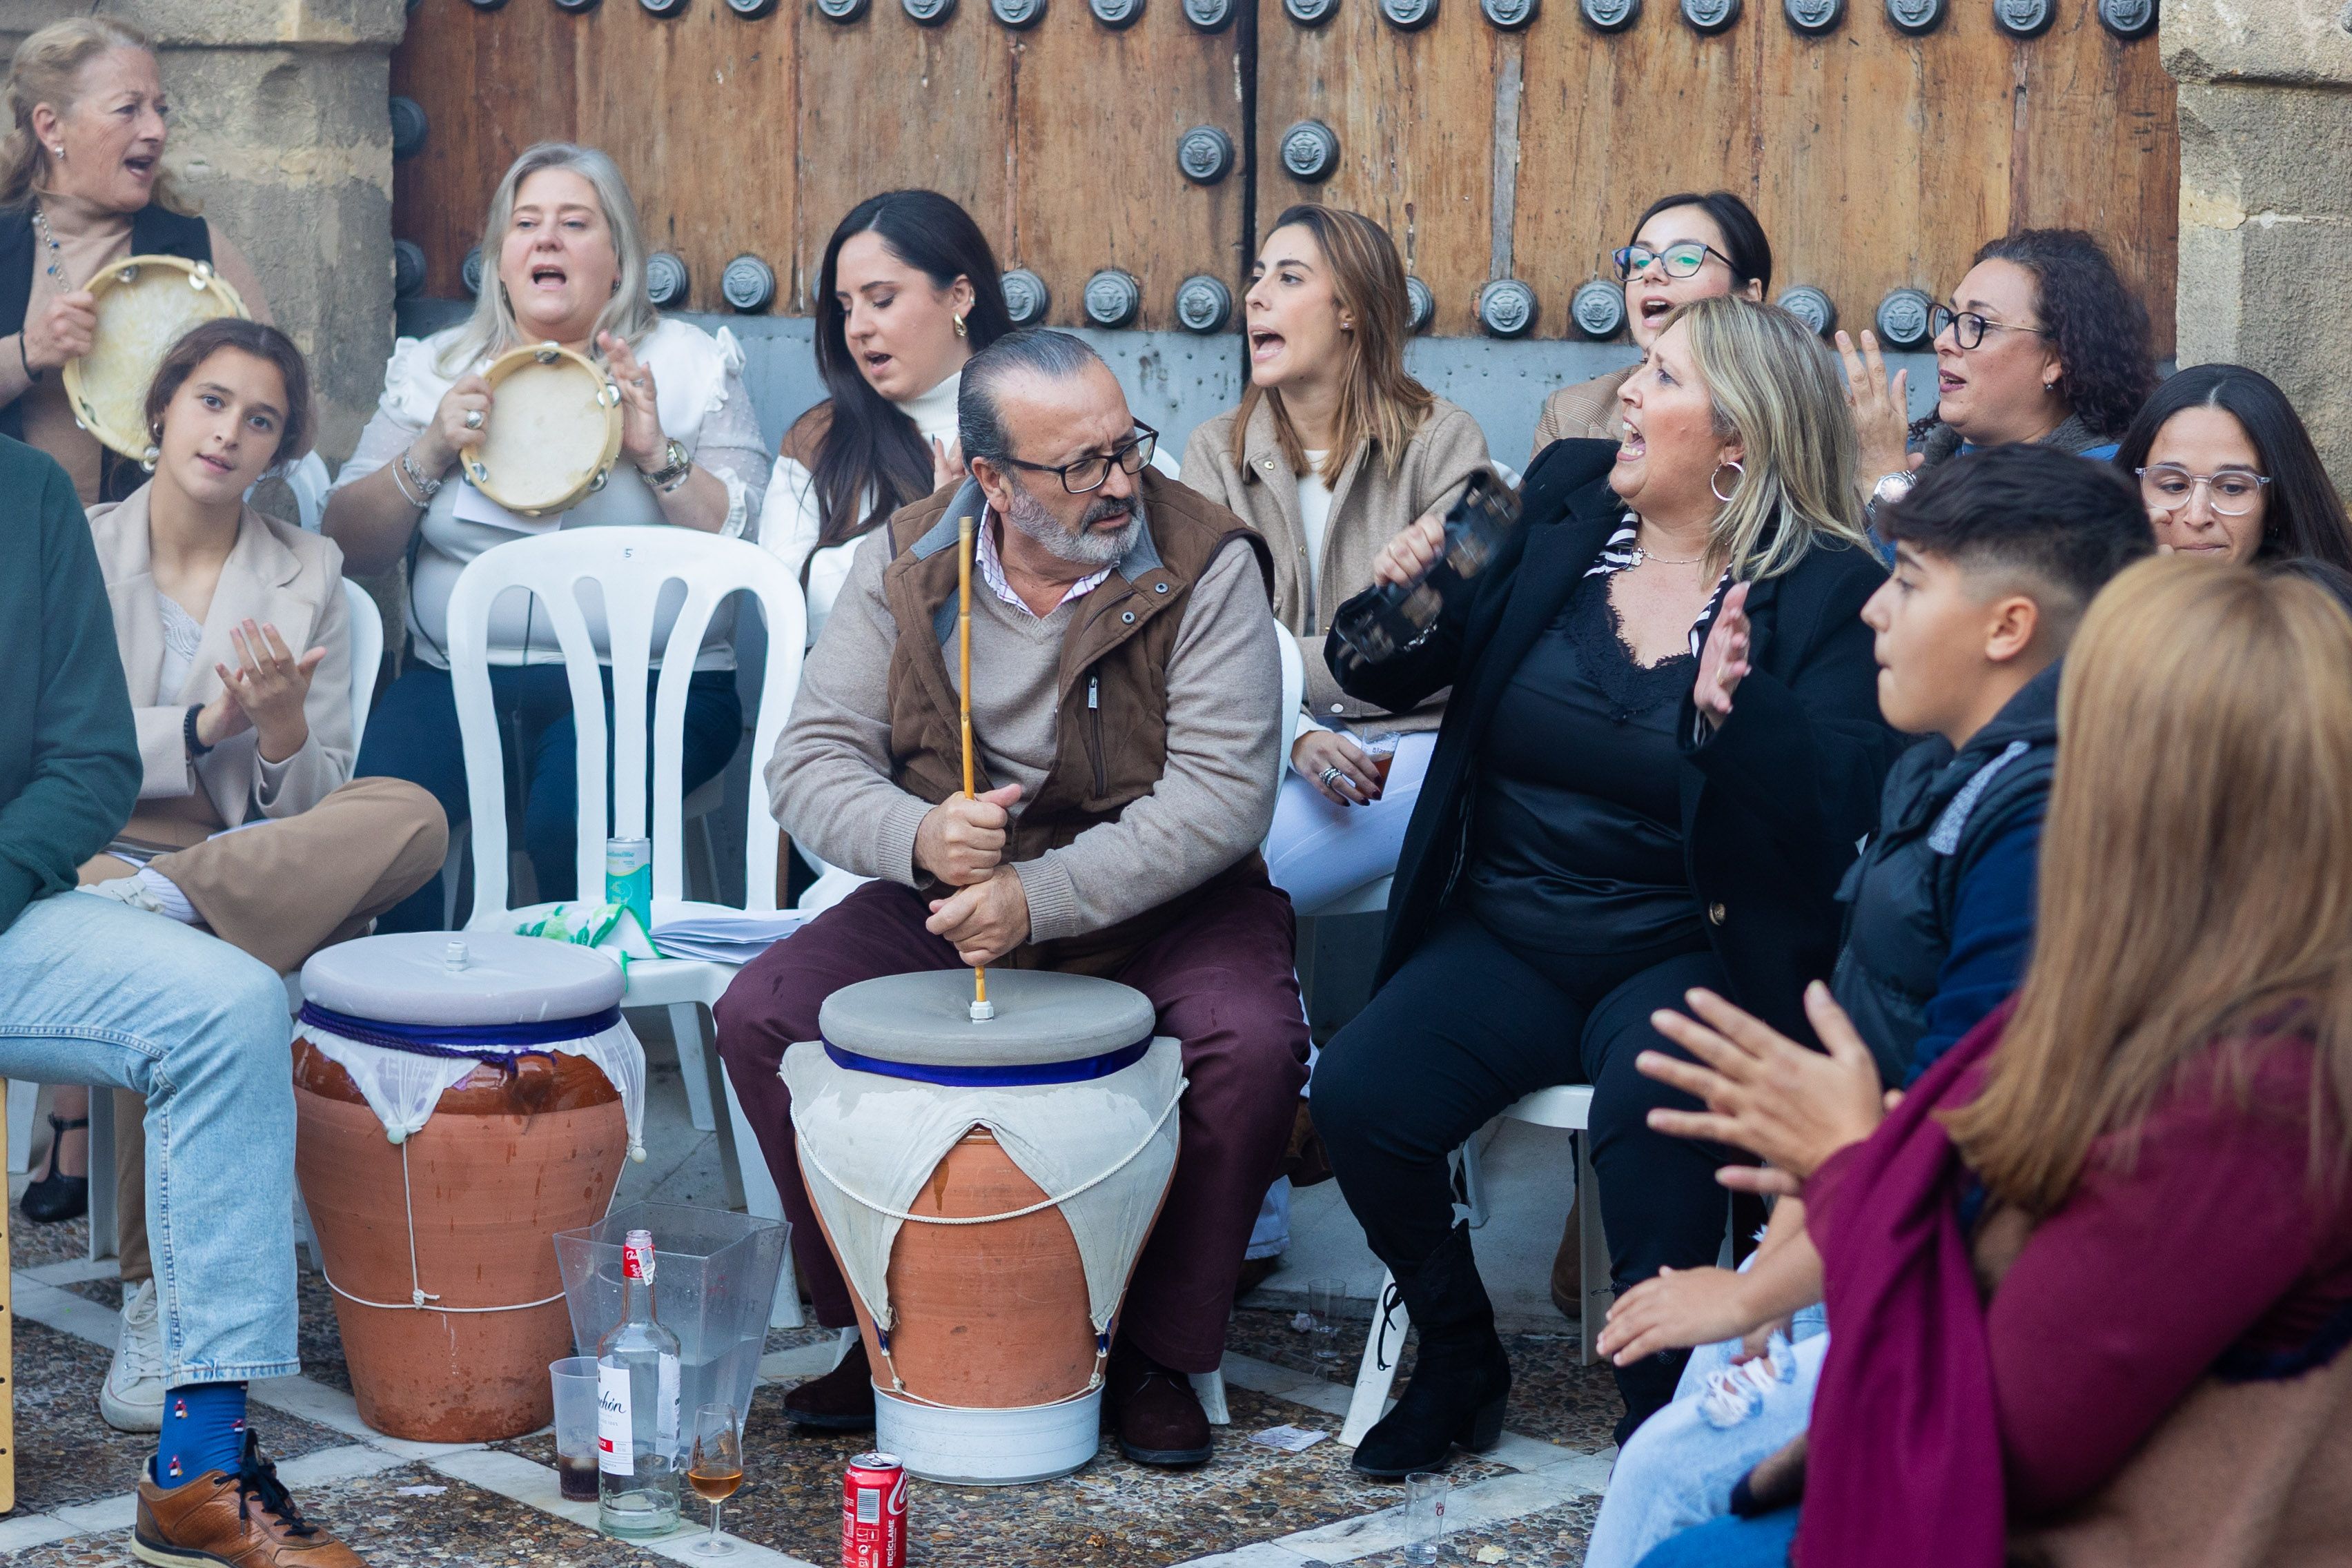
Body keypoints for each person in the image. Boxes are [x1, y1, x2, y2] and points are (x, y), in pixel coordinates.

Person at [1634, 557, 2352, 1568]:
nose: (2056, 762)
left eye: (2088, 727)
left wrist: (1845, 1166)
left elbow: (2017, 1441)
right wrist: (1838, 1162)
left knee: (1678, 1521)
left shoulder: (2262, 1091)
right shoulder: (2167, 981)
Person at [1310, 295, 1901, 1470]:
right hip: (1508, 929)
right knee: (1360, 1094)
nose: (1626, 392)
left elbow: (1838, 804)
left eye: (1661, 377)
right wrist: (1410, 587)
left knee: (1658, 1121)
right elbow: (1367, 665)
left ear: (1737, 439)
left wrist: (1742, 717)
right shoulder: (1548, 492)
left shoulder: (1827, 588)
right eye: (1638, 367)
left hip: (1687, 946)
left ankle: (1659, 1428)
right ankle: (1459, 1350)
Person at [714, 328, 1309, 1469]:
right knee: (767, 1011)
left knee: (1249, 1042)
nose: (1120, 482)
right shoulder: (901, 561)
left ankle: (1150, 1343)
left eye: (1122, 447)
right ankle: (885, 1324)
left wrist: (1034, 898)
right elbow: (812, 760)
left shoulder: (1205, 559)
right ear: (989, 480)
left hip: (1162, 898)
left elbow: (1221, 801)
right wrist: (919, 835)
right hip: (958, 884)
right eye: (1076, 466)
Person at [1581, 446, 2153, 1568]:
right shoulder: (1944, 766)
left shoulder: (2038, 818)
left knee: (1665, 1481)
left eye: (1906, 580)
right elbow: (1867, 1072)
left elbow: (1967, 1130)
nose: (1872, 612)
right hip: (1848, 1229)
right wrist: (1773, 1271)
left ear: (2006, 628)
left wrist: (1776, 1279)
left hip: (1926, 1273)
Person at [0, 427, 368, 1566]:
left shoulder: (26, 495)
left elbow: (90, 761)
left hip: (9, 905)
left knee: (227, 1005)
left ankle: (199, 1468)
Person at [72, 319, 444, 1434]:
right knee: (173, 973)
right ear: (163, 409)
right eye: (212, 401)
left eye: (262, 420)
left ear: (281, 452)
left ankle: (176, 902)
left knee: (412, 815)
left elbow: (323, 800)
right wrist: (200, 725)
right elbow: (44, 749)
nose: (230, 432)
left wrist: (280, 732)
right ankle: (158, 1302)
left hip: (242, 865)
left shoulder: (311, 567)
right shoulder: (75, 547)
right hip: (95, 847)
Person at [323, 142, 770, 932]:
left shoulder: (688, 365)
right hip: (457, 680)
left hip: (650, 687)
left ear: (619, 260)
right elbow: (348, 544)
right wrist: (429, 450)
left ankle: (574, 1039)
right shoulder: (438, 368)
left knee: (571, 817)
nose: (548, 240)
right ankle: (419, 1034)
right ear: (500, 262)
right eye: (525, 224)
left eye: (575, 223)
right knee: (374, 834)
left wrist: (654, 452)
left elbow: (747, 547)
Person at [0, 13, 275, 1232]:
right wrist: (24, 349)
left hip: (154, 554)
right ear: (51, 125)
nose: (156, 130)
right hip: (36, 577)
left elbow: (265, 371)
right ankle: (74, 1090)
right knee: (74, 776)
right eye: (130, 108)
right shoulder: (6, 247)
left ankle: (83, 1093)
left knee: (101, 772)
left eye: (163, 108)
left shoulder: (191, 248)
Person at [1180, 204, 1491, 914]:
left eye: (1289, 278)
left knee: (1225, 898)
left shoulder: (1444, 440)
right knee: (1186, 880)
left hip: (1412, 744)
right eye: (1257, 276)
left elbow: (1434, 635)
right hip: (1262, 741)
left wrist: (1285, 679)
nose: (1255, 294)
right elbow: (1193, 639)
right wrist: (1297, 729)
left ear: (1350, 309)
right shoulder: (1214, 452)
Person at [765, 190, 1011, 649]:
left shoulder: (1049, 412)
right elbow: (782, 609)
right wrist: (928, 534)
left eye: (880, 300)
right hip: (860, 712)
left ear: (959, 295)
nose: (857, 326)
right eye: (845, 307)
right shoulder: (819, 438)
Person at [1848, 228, 2154, 520]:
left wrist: (1885, 483)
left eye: (1979, 324)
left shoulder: (2100, 488)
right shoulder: (1924, 460)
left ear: (2055, 359)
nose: (1942, 342)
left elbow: (1951, 572)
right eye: (1953, 318)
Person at [1529, 191, 1770, 456]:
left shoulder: (1797, 414)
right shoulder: (1570, 416)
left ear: (1748, 296)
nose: (1651, 272)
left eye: (1686, 258)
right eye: (1639, 261)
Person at [2111, 361, 2352, 571]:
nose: (2197, 517)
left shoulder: (2321, 618)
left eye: (2232, 488)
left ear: (2276, 505)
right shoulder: (2089, 603)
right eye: (2174, 486)